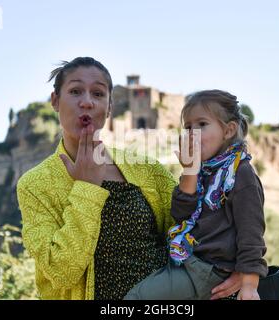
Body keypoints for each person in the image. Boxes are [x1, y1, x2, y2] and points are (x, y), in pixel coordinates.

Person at [16, 57, 242, 299]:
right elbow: (62, 271)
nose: (87, 102)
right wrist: (86, 188)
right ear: (55, 101)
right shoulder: (35, 185)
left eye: (98, 94)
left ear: (110, 107)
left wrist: (242, 266)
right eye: (75, 91)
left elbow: (196, 222)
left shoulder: (147, 170)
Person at [125, 90, 268, 300]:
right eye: (188, 127)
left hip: (209, 269)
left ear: (228, 131)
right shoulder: (203, 170)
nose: (192, 132)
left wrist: (249, 285)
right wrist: (190, 172)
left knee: (137, 298)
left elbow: (251, 231)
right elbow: (181, 215)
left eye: (201, 124)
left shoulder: (240, 173)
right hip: (189, 260)